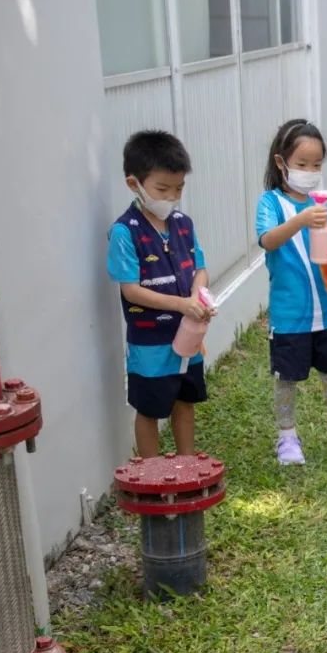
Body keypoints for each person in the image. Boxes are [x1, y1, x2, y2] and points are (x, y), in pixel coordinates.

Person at [255, 119, 327, 467]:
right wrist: (301, 220)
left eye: (316, 164)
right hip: (290, 314)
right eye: (302, 164)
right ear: (281, 163)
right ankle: (287, 438)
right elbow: (267, 240)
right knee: (287, 379)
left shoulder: (323, 204)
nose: (310, 171)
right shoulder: (270, 203)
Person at [107, 130, 213, 457]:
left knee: (185, 400)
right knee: (150, 408)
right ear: (133, 184)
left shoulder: (183, 223)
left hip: (188, 336)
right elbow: (131, 290)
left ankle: (186, 465)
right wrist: (181, 303)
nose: (171, 197)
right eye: (162, 189)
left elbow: (200, 268)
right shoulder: (125, 232)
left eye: (178, 188)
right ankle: (152, 473)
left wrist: (198, 294)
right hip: (149, 342)